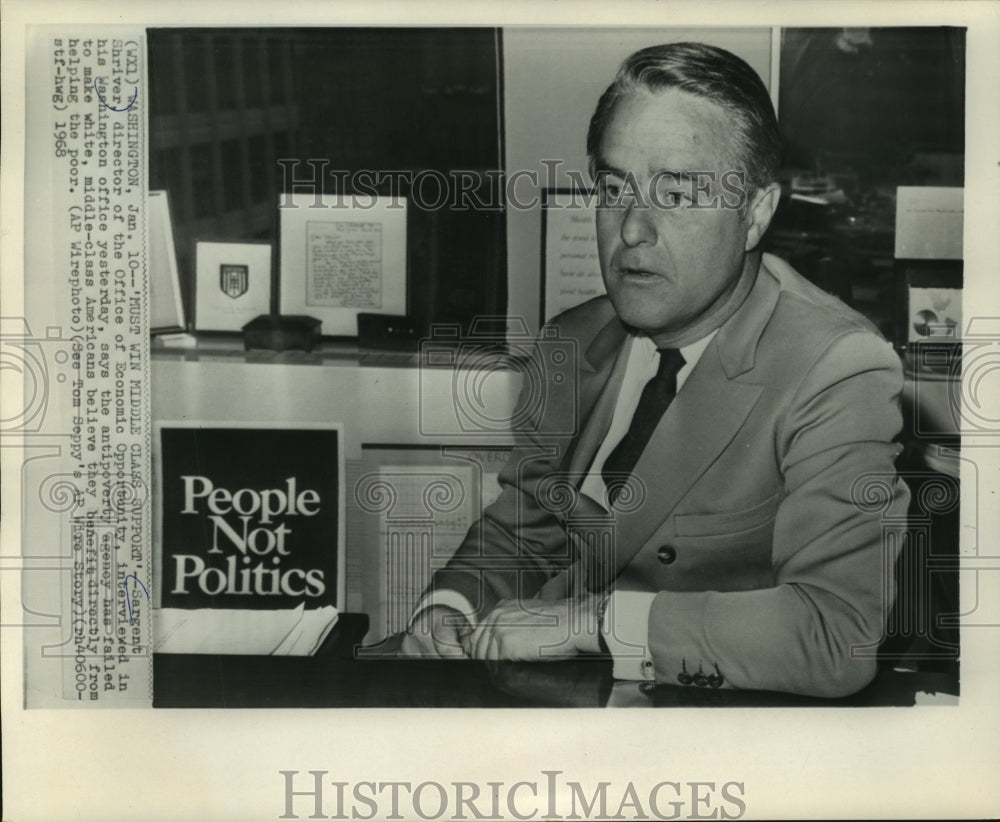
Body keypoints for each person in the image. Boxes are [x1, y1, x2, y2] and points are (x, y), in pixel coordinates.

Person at [400, 42, 909, 698]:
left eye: (677, 191)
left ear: (755, 213)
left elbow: (836, 632)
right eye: (615, 188)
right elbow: (525, 531)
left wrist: (599, 622)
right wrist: (451, 607)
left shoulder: (836, 366)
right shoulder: (572, 342)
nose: (633, 229)